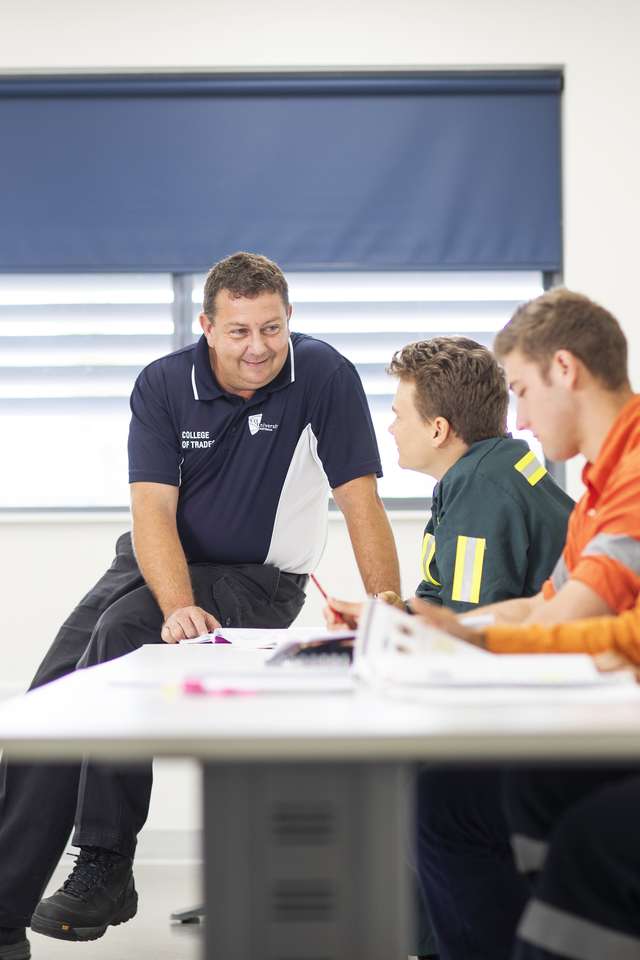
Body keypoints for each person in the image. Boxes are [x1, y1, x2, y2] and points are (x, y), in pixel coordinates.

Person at [0, 252, 401, 958]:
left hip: (258, 579)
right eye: (240, 331)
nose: (258, 348)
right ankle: (3, 917)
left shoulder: (323, 376)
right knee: (50, 706)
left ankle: (106, 861)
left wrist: (389, 615)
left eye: (272, 328)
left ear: (289, 319)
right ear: (207, 327)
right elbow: (152, 512)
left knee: (123, 631)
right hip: (156, 565)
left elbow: (360, 502)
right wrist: (178, 603)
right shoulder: (162, 384)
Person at [326, 336, 573, 960]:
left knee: (411, 776)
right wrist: (393, 614)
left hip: (539, 708)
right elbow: (459, 604)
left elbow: (463, 630)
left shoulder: (481, 488)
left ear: (438, 429)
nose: (390, 426)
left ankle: (442, 943)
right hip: (541, 686)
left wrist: (394, 632)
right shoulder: (490, 469)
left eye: (398, 414)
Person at [412, 288, 640, 960]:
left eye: (522, 391)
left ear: (565, 369)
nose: (520, 421)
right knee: (453, 796)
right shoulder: (598, 486)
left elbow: (570, 623)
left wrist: (471, 637)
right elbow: (544, 604)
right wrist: (440, 627)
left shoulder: (632, 477)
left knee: (542, 818)